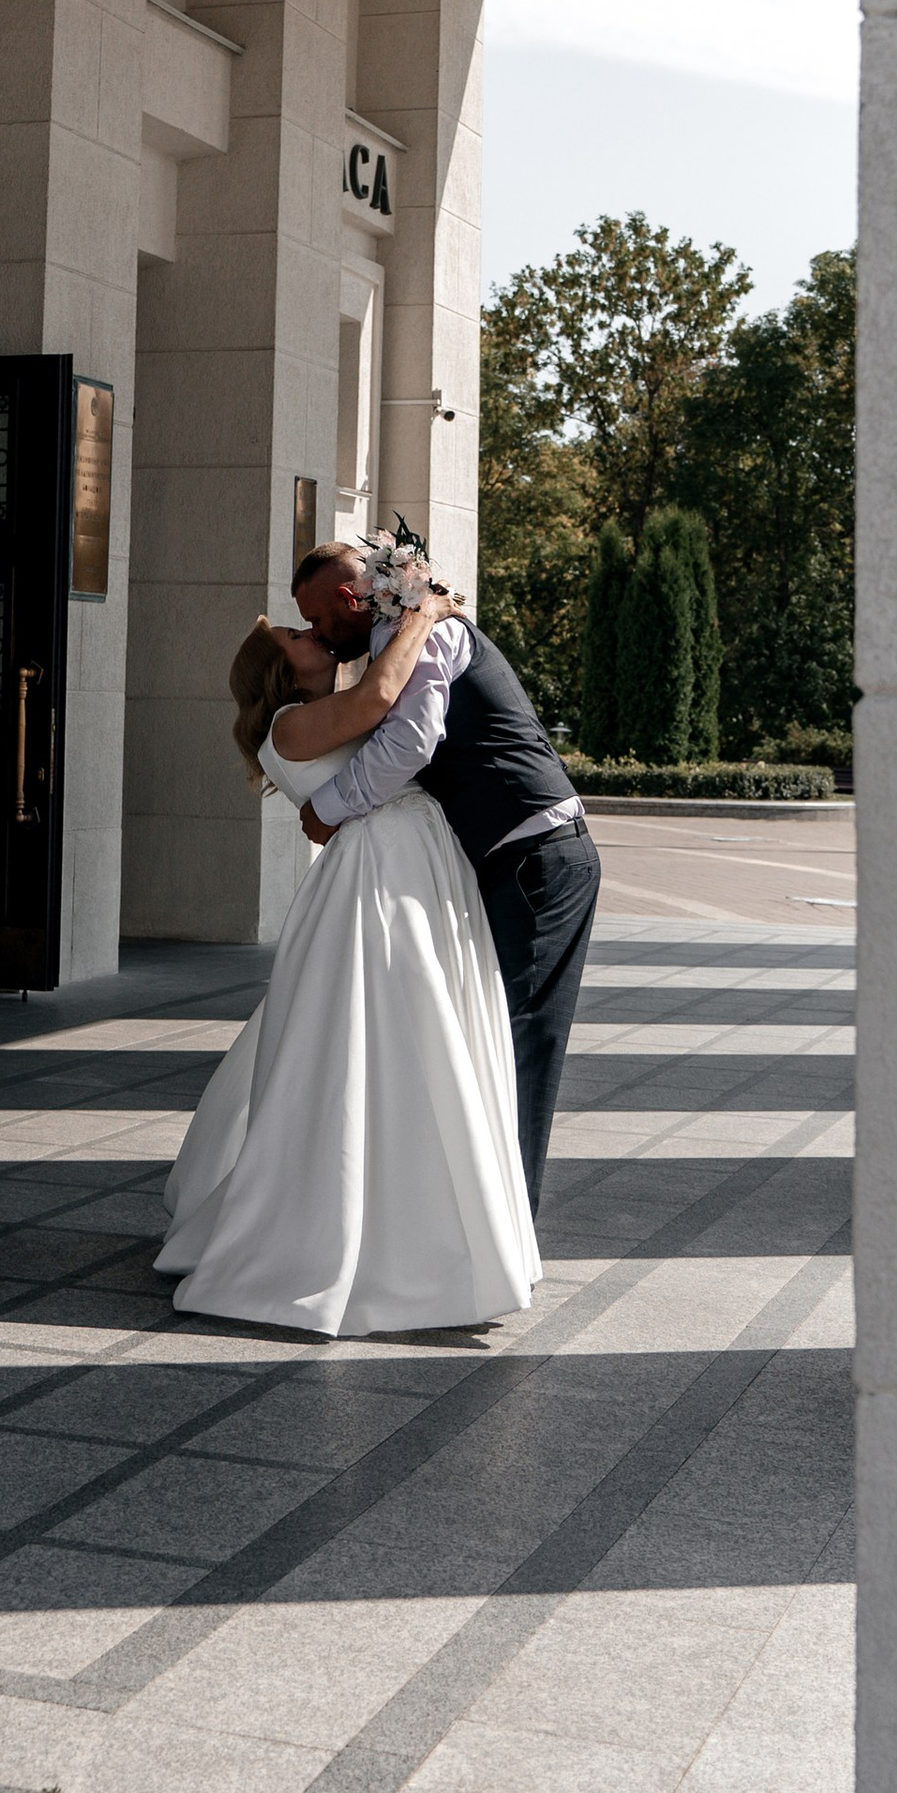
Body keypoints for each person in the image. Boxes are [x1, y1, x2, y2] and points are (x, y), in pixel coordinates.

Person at [157, 585, 538, 1338]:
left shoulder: (309, 712)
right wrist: (423, 612)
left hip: (413, 858)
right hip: (380, 874)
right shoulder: (291, 725)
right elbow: (382, 697)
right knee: (395, 1027)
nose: (312, 633)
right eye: (296, 635)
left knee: (422, 1024)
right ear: (277, 669)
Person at [288, 541, 600, 1210]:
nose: (316, 634)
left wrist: (330, 808)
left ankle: (510, 1226)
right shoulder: (396, 639)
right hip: (508, 858)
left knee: (521, 1042)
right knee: (486, 1033)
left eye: (316, 620)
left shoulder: (428, 632)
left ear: (349, 599)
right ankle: (475, 1214)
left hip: (540, 858)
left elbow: (411, 742)